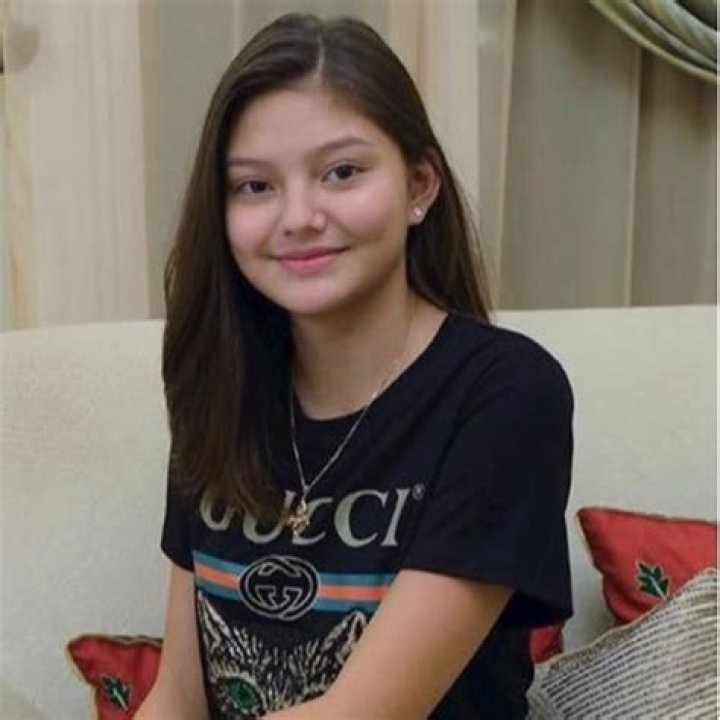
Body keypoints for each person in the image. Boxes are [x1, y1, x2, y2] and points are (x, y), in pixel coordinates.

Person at [137, 12, 573, 720]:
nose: (298, 216)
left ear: (419, 185)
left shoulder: (506, 394)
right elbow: (179, 697)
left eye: (341, 172)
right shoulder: (218, 382)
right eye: (254, 186)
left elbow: (363, 714)